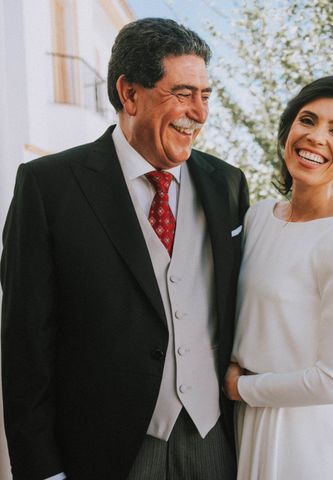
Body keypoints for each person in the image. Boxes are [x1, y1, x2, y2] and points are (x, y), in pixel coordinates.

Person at [1, 18, 249, 480]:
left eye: (205, 95)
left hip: (213, 442)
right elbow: (24, 345)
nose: (198, 112)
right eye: (181, 93)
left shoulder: (228, 185)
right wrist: (43, 471)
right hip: (104, 452)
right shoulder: (48, 187)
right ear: (129, 93)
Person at [223, 76, 333, 480]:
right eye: (307, 120)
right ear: (287, 130)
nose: (315, 137)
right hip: (242, 427)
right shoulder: (257, 216)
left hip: (301, 441)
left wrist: (240, 389)